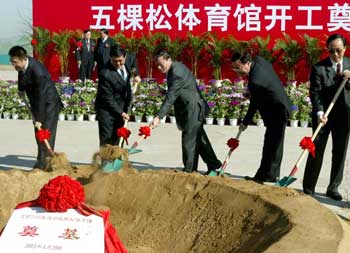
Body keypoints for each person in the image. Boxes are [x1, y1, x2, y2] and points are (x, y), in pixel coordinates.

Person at [150, 50, 222, 174]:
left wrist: (158, 117)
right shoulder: (173, 69)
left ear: (168, 59)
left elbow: (171, 97)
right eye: (157, 64)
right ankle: (213, 165)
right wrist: (162, 92)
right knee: (199, 139)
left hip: (193, 109)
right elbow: (176, 91)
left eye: (161, 64)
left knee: (189, 140)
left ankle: (189, 171)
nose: (159, 67)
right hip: (190, 109)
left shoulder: (177, 72)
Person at [231, 52, 292, 183]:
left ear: (247, 63)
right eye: (234, 68)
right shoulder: (258, 60)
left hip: (278, 110)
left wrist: (245, 122)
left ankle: (270, 176)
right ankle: (263, 175)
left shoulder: (255, 81)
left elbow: (254, 104)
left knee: (274, 144)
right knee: (269, 143)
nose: (237, 72)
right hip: (273, 106)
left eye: (238, 68)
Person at [303, 34, 350, 201]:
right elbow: (315, 93)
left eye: (338, 51)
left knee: (339, 152)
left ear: (345, 48)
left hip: (344, 117)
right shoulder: (319, 68)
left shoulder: (349, 65)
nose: (335, 55)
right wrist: (320, 113)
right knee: (316, 151)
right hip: (323, 116)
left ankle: (333, 188)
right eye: (331, 51)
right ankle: (309, 187)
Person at [8, 46, 62, 170]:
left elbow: (42, 97)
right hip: (37, 102)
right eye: (12, 62)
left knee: (46, 134)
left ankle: (46, 165)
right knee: (39, 135)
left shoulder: (39, 72)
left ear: (23, 59)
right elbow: (21, 75)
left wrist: (39, 118)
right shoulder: (23, 66)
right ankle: (40, 161)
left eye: (15, 62)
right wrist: (21, 90)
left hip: (48, 104)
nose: (14, 65)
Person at [95, 44, 141, 146]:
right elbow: (108, 98)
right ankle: (106, 161)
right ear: (110, 58)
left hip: (122, 107)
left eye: (120, 60)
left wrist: (136, 75)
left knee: (119, 137)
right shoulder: (105, 73)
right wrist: (121, 112)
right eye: (115, 61)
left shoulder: (128, 59)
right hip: (107, 111)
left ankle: (117, 160)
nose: (118, 63)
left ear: (125, 57)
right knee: (107, 141)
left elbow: (133, 63)